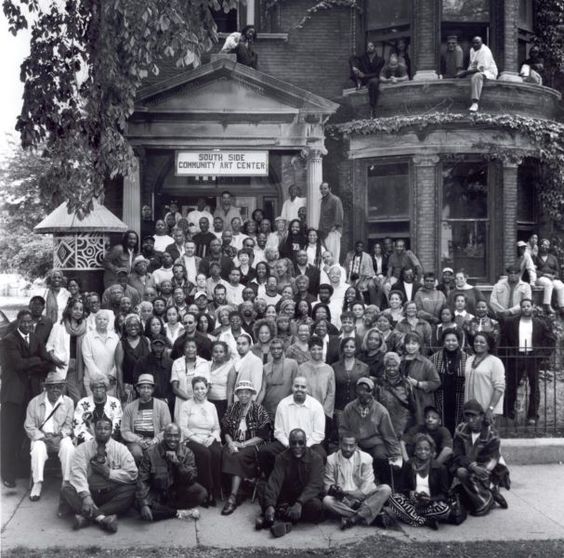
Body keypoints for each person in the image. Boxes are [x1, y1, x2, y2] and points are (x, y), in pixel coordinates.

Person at [1, 308, 57, 487]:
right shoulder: (9, 340)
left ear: (33, 323)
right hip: (13, 395)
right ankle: (6, 472)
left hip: (30, 394)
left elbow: (48, 362)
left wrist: (34, 362)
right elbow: (17, 365)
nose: (26, 325)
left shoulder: (35, 339)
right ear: (18, 322)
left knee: (26, 432)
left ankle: (21, 468)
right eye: (23, 322)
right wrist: (36, 361)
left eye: (29, 322)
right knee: (9, 433)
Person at [60, 416, 138, 533]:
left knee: (131, 490)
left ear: (111, 431)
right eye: (99, 428)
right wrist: (86, 496)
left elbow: (132, 474)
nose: (102, 431)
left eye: (106, 428)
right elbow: (78, 474)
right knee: (66, 489)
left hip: (110, 494)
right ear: (94, 430)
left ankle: (87, 518)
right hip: (89, 493)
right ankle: (102, 519)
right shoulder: (82, 448)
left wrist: (109, 473)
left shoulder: (121, 449)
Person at [257, 429, 325, 537]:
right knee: (262, 487)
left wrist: (299, 503)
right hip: (287, 496)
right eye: (293, 443)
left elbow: (315, 485)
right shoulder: (281, 457)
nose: (297, 446)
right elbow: (275, 481)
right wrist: (270, 504)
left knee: (316, 506)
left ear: (305, 443)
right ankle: (278, 513)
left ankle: (277, 517)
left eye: (300, 443)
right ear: (289, 443)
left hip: (305, 498)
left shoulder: (316, 458)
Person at [136, 423, 207, 521]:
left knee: (201, 493)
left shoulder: (187, 452)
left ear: (180, 437)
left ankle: (166, 511)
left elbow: (191, 478)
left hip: (176, 494)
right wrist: (144, 504)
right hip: (157, 494)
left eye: (176, 436)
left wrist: (177, 463)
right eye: (169, 435)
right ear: (164, 436)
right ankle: (178, 512)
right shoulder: (151, 452)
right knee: (139, 504)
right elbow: (142, 479)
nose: (173, 439)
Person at [258, 376, 326, 478]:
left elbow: (319, 434)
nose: (299, 389)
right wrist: (289, 444)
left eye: (303, 387)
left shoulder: (316, 406)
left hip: (309, 444)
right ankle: (272, 481)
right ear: (292, 387)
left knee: (321, 456)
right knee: (264, 452)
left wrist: (303, 446)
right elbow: (278, 431)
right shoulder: (283, 404)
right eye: (296, 386)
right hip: (287, 443)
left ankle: (313, 486)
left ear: (307, 389)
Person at [221, 380, 272, 515]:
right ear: (237, 394)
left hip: (254, 444)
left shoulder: (259, 410)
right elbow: (225, 430)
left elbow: (263, 435)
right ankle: (241, 488)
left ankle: (232, 497)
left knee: (238, 456)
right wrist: (231, 443)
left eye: (247, 392)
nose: (243, 395)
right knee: (225, 453)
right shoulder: (232, 408)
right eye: (240, 392)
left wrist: (243, 444)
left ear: (252, 394)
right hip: (235, 443)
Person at [501, 298, 555, 424]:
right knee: (511, 385)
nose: (526, 308)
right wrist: (509, 353)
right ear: (521, 308)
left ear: (532, 307)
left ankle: (532, 415)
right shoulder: (511, 322)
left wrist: (542, 354)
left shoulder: (539, 323)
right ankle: (508, 412)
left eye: (528, 306)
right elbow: (504, 339)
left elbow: (551, 339)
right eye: (523, 306)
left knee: (534, 386)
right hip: (516, 357)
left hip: (532, 357)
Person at [339, 377, 402, 485]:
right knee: (350, 456)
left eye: (366, 390)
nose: (363, 393)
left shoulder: (381, 411)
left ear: (372, 392)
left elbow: (389, 435)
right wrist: (352, 444)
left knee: (380, 456)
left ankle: (384, 486)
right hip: (356, 443)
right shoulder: (349, 408)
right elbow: (343, 429)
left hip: (375, 444)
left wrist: (396, 456)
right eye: (360, 390)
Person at [452, 399, 510, 516]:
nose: (470, 420)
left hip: (491, 467)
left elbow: (491, 459)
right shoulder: (460, 429)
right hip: (470, 465)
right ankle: (489, 494)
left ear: (482, 416)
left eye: (474, 416)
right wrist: (471, 466)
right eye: (467, 416)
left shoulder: (491, 434)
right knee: (459, 471)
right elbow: (457, 454)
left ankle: (485, 500)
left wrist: (478, 469)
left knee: (471, 475)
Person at [24, 371, 75, 501]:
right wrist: (42, 437)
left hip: (59, 437)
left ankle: (67, 482)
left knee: (69, 447)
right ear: (45, 388)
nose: (55, 390)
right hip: (41, 437)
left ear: (63, 388)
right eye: (52, 387)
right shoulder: (34, 402)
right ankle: (37, 483)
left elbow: (69, 425)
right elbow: (29, 426)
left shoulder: (68, 402)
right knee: (38, 449)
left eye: (59, 386)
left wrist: (60, 436)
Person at [323, 435, 392, 530]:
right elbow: (327, 486)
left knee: (386, 489)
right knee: (327, 500)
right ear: (340, 444)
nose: (348, 449)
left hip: (363, 498)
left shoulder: (366, 458)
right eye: (345, 445)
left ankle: (354, 519)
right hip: (343, 500)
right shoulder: (331, 460)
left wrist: (349, 493)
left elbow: (366, 488)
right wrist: (336, 492)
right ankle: (370, 516)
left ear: (356, 445)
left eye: (351, 446)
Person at [388, 433, 451, 529]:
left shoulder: (440, 468)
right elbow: (400, 488)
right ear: (415, 451)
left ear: (431, 452)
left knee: (444, 510)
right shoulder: (409, 465)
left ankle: (410, 516)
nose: (423, 452)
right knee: (393, 498)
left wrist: (430, 499)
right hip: (413, 502)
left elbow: (444, 495)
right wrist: (410, 493)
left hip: (430, 504)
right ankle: (425, 521)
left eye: (426, 449)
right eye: (419, 449)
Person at [178, 376, 222, 506]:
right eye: (196, 388)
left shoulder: (211, 406)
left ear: (207, 388)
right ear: (193, 390)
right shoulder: (186, 405)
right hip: (191, 438)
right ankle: (205, 491)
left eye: (202, 388)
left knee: (216, 453)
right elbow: (183, 427)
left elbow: (217, 428)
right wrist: (198, 439)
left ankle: (215, 490)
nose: (200, 391)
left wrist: (211, 438)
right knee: (205, 454)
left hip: (209, 437)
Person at [121, 374, 172, 464]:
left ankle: (152, 476)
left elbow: (167, 429)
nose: (146, 390)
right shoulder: (129, 407)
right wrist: (139, 440)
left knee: (154, 452)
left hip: (155, 441)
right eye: (143, 387)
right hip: (136, 441)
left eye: (148, 388)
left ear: (152, 390)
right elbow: (125, 430)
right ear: (138, 389)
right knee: (136, 453)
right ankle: (137, 476)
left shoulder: (162, 406)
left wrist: (154, 441)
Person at [46, 298, 88, 403]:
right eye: (75, 309)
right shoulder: (59, 326)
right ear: (69, 309)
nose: (78, 312)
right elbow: (49, 346)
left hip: (77, 368)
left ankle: (75, 419)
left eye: (81, 309)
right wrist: (55, 359)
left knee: (77, 399)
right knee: (59, 399)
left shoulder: (85, 327)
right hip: (61, 366)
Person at [431, 329, 468, 435]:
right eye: (447, 340)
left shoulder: (467, 358)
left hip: (459, 397)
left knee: (459, 424)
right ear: (443, 342)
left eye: (453, 340)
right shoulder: (434, 358)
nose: (450, 343)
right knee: (442, 423)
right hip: (441, 397)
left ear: (458, 342)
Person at [464, 332, 505, 424]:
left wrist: (490, 409)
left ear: (489, 346)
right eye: (476, 341)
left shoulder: (495, 362)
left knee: (487, 437)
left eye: (482, 342)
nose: (478, 344)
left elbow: (499, 388)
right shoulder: (469, 360)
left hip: (487, 409)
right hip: (470, 410)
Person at [376, 352, 416, 441]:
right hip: (384, 422)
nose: (391, 368)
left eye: (394, 366)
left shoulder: (406, 384)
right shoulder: (379, 384)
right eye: (388, 366)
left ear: (398, 366)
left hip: (402, 424)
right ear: (385, 366)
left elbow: (412, 406)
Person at [73, 374, 123, 444]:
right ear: (92, 389)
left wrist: (106, 439)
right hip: (87, 442)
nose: (98, 390)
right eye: (95, 387)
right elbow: (78, 427)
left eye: (101, 387)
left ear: (106, 388)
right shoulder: (82, 403)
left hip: (110, 441)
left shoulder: (115, 403)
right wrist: (92, 440)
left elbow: (117, 425)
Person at [170, 338, 210, 422]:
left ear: (197, 349)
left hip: (200, 402)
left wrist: (198, 399)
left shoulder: (204, 363)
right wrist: (190, 399)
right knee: (182, 427)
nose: (190, 349)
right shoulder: (177, 363)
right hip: (182, 402)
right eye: (187, 347)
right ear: (183, 350)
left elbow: (208, 385)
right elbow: (175, 388)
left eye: (193, 347)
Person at [258, 337, 299, 420]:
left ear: (283, 349)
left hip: (287, 407)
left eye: (278, 348)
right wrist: (256, 406)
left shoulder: (292, 364)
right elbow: (263, 389)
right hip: (269, 407)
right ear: (270, 351)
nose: (276, 351)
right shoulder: (265, 367)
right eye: (273, 349)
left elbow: (296, 385)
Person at [81, 310, 120, 397]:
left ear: (108, 322)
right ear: (95, 321)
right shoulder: (88, 337)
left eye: (105, 319)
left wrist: (112, 375)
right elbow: (88, 359)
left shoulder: (115, 337)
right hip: (93, 380)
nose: (102, 321)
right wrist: (101, 378)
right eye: (99, 319)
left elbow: (119, 359)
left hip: (111, 380)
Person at [457, 36, 498, 112]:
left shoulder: (485, 51)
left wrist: (465, 73)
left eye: (477, 43)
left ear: (482, 43)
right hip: (476, 70)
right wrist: (464, 73)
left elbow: (480, 69)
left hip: (488, 72)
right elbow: (472, 64)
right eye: (473, 43)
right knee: (463, 77)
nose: (475, 44)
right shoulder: (472, 50)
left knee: (476, 76)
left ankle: (475, 103)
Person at [349, 41, 385, 114]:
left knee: (374, 82)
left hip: (373, 78)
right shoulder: (363, 57)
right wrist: (354, 67)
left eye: (371, 46)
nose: (369, 48)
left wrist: (365, 75)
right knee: (354, 68)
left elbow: (377, 74)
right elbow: (352, 58)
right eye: (368, 46)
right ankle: (358, 82)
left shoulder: (380, 60)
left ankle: (372, 107)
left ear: (375, 48)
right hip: (363, 79)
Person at [534, 238, 564, 316]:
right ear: (540, 246)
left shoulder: (553, 258)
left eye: (547, 245)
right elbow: (534, 270)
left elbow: (557, 271)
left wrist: (553, 276)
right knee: (548, 284)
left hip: (552, 278)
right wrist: (544, 274)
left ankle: (562, 307)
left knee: (561, 286)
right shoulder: (536, 257)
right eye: (543, 245)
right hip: (540, 278)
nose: (545, 247)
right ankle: (547, 305)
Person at [318, 182, 344, 263]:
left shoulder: (335, 200)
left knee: (333, 254)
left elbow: (339, 215)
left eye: (325, 188)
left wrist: (334, 227)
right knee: (325, 253)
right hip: (324, 231)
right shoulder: (323, 201)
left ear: (330, 189)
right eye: (321, 189)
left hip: (332, 231)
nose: (323, 191)